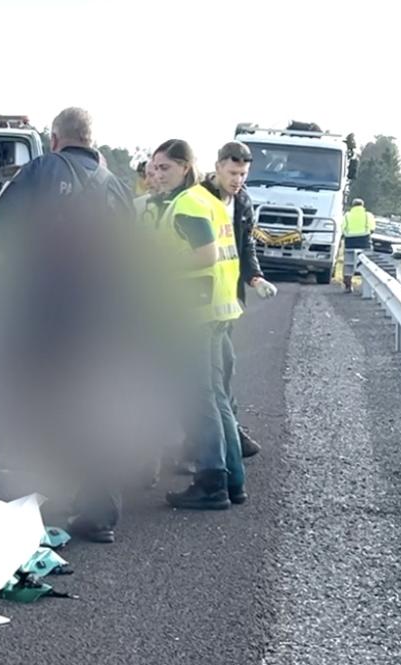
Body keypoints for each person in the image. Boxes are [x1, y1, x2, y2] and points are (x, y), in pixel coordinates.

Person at [0, 107, 146, 543]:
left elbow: (3, 236)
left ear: (55, 138)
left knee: (2, 391)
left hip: (37, 310)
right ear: (91, 139)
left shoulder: (41, 171)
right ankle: (100, 511)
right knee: (90, 409)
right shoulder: (115, 188)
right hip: (97, 318)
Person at [152, 139, 247, 511]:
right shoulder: (209, 200)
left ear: (186, 167)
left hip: (194, 312)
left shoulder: (188, 203)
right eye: (155, 168)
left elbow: (205, 254)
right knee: (217, 398)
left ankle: (211, 480)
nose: (157, 175)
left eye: (166, 168)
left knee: (200, 399)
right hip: (217, 309)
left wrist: (158, 269)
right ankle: (233, 479)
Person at [199, 141, 277, 459]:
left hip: (228, 300)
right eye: (233, 173)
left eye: (243, 174)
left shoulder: (243, 201)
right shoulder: (199, 198)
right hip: (199, 300)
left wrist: (255, 277)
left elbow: (246, 246)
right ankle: (216, 439)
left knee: (224, 370)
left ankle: (228, 430)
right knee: (205, 377)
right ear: (217, 166)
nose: (237, 180)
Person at [340, 198, 376, 293]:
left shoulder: (347, 216)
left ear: (353, 206)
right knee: (367, 265)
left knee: (348, 265)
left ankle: (348, 285)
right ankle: (367, 288)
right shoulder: (368, 215)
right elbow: (372, 229)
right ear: (363, 205)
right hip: (364, 242)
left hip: (350, 242)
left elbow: (342, 228)